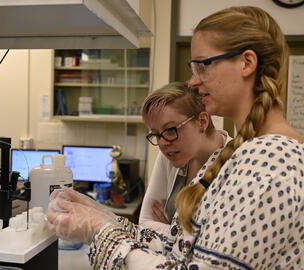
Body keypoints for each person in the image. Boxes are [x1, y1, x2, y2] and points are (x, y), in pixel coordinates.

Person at [47, 6, 304, 269]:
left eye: (203, 66)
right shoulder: (246, 154)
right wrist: (103, 217)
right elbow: (180, 248)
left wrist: (98, 231)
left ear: (247, 63)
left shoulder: (270, 163)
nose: (193, 81)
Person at [139, 82, 230, 232]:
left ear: (202, 122)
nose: (163, 143)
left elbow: (217, 243)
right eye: (156, 134)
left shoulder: (236, 163)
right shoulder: (170, 156)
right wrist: (179, 234)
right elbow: (145, 223)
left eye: (170, 130)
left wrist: (171, 230)